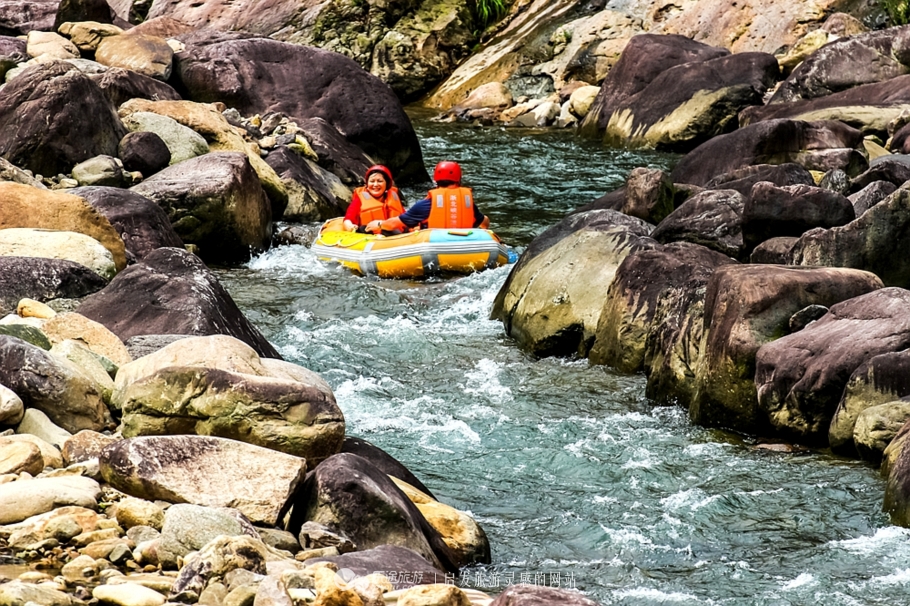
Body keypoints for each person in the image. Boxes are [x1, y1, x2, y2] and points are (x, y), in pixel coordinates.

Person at [364, 161, 490, 234]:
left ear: (436, 181)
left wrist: (379, 223)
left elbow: (392, 225)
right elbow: (484, 222)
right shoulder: (467, 201)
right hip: (466, 249)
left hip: (434, 248)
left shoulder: (426, 204)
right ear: (458, 179)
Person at [343, 165, 405, 233]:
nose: (375, 184)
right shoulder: (359, 199)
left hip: (392, 235)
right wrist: (350, 226)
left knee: (395, 231)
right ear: (367, 184)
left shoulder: (394, 197)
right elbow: (348, 218)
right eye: (372, 181)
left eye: (380, 181)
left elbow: (406, 218)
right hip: (369, 235)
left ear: (387, 184)